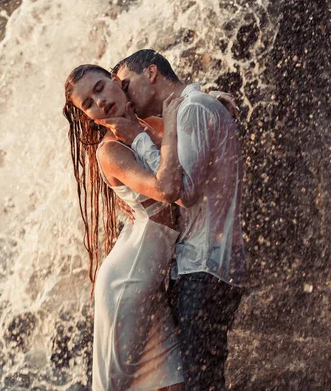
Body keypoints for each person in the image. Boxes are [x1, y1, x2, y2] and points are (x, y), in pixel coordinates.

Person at [102, 49, 247, 391]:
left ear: (151, 73)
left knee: (201, 383)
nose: (122, 94)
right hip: (207, 265)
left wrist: (138, 136)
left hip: (205, 266)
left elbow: (183, 191)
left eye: (125, 84)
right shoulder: (192, 109)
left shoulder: (192, 108)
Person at [63, 64, 185, 391]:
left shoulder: (144, 126)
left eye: (100, 88)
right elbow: (164, 189)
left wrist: (211, 100)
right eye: (87, 103)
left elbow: (183, 109)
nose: (99, 102)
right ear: (85, 115)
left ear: (116, 81)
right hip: (127, 285)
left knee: (174, 386)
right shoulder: (111, 151)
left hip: (151, 282)